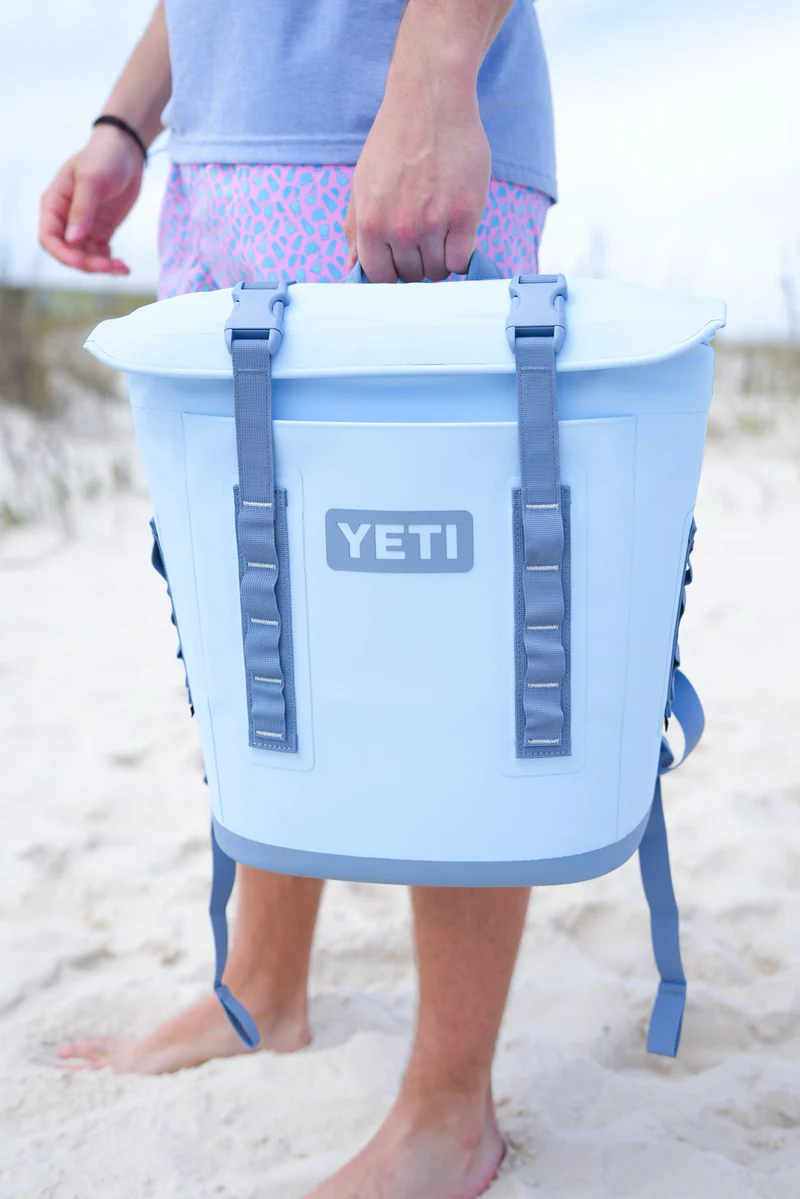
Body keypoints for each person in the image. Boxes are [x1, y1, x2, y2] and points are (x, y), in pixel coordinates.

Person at [40, 2, 557, 1195]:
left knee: (434, 629)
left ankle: (447, 1113)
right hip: (217, 166)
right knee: (255, 609)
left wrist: (432, 70)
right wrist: (130, 118)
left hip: (378, 144)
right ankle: (262, 990)